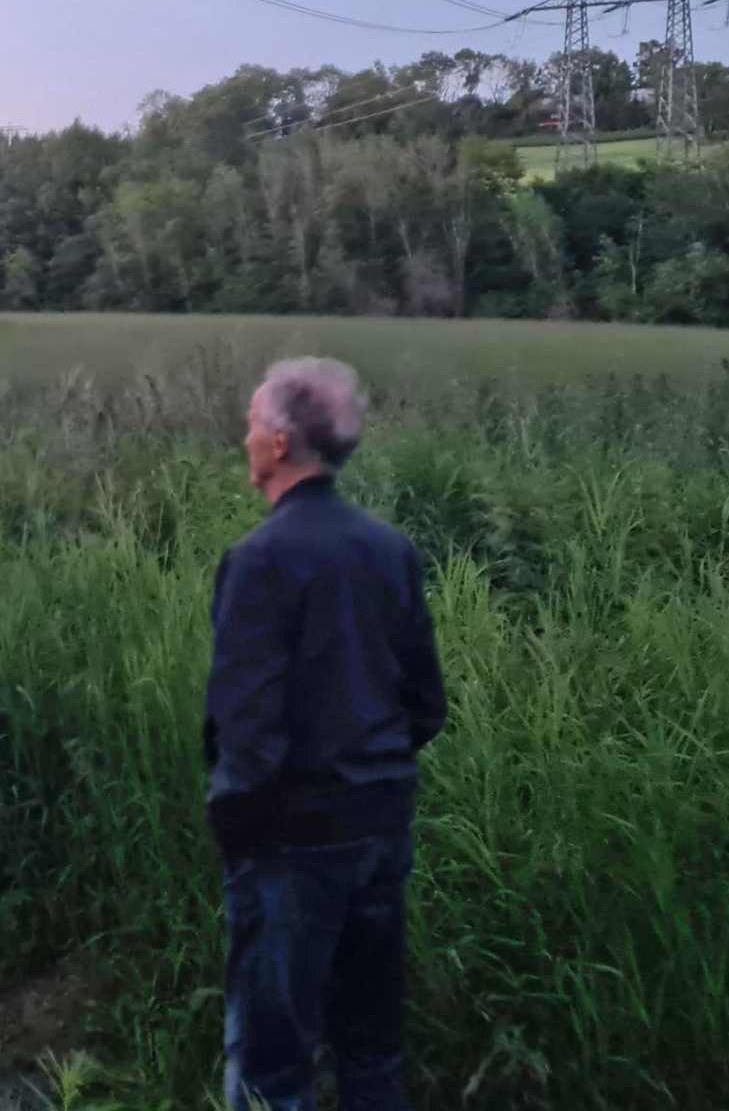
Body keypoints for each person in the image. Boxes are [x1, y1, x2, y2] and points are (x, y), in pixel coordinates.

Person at [204, 358, 447, 1111]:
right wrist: (369, 772)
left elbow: (246, 729)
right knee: (372, 1052)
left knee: (273, 1065)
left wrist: (240, 832)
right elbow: (425, 704)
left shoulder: (259, 562)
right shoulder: (389, 549)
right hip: (380, 826)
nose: (245, 437)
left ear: (279, 443)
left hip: (290, 842)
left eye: (252, 423)